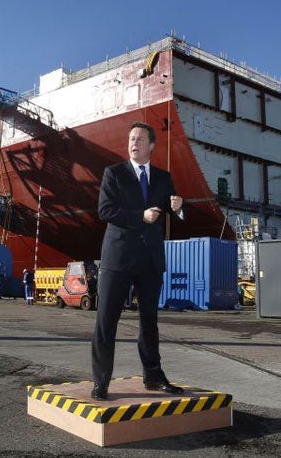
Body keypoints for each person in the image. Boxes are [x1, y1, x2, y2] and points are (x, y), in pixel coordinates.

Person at [91, 121, 185, 401]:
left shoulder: (162, 177)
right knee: (106, 322)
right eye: (131, 138)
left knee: (149, 322)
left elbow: (171, 206)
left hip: (150, 259)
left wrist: (179, 208)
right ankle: (101, 382)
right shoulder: (114, 174)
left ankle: (154, 376)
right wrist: (140, 217)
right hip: (118, 258)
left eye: (140, 139)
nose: (134, 142)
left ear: (152, 146)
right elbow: (105, 210)